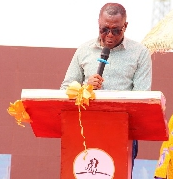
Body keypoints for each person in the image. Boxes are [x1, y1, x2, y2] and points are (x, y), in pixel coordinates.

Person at [60, 2, 152, 176]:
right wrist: (85, 87)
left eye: (116, 30)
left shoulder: (140, 53)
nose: (109, 35)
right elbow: (65, 89)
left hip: (122, 132)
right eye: (104, 29)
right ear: (98, 24)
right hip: (84, 128)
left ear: (125, 26)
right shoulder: (84, 50)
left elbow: (142, 98)